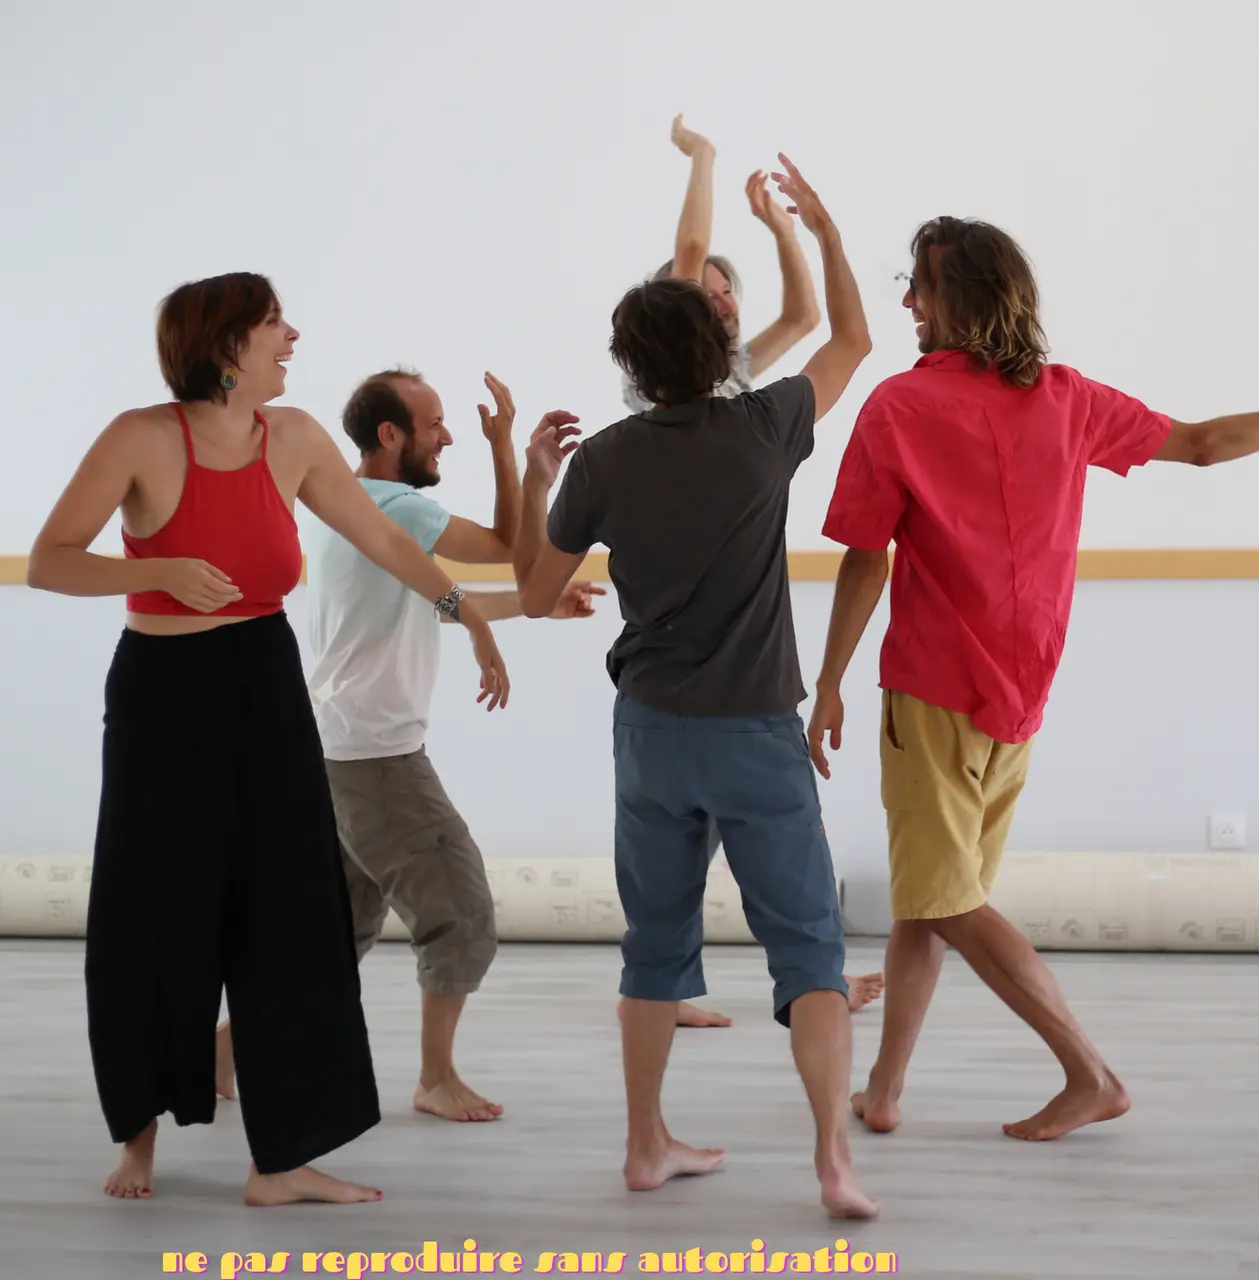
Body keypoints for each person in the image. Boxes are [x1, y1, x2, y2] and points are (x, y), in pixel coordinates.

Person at [808, 215, 1259, 1142]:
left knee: (947, 898)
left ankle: (1089, 1071)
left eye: (920, 285)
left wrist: (827, 681)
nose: (907, 300)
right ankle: (886, 1090)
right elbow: (1204, 444)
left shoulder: (899, 408)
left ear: (963, 298)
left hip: (936, 694)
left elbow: (867, 558)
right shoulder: (1064, 399)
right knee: (928, 897)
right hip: (1019, 703)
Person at [26, 272, 511, 1206]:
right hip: (162, 697)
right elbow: (51, 560)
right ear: (224, 346)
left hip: (266, 686)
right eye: (273, 325)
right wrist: (161, 566)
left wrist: (466, 611)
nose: (293, 335)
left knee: (292, 918)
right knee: (153, 912)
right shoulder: (140, 438)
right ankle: (139, 1138)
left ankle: (280, 1160)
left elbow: (380, 537)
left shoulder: (292, 439)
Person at [513, 156, 879, 1218]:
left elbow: (539, 596)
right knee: (808, 949)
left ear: (630, 364)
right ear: (721, 348)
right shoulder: (764, 430)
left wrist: (539, 473)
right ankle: (832, 1158)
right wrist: (825, 229)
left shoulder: (607, 459)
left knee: (654, 944)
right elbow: (851, 339)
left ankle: (645, 1144)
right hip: (755, 731)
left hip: (653, 736)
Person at [297, 367, 602, 1123]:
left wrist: (527, 613)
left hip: (338, 749)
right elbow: (511, 550)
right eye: (435, 425)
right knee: (461, 910)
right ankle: (436, 1078)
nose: (448, 436)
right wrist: (519, 463)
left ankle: (226, 1054)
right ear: (389, 435)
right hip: (375, 757)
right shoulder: (393, 503)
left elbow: (427, 602)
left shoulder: (360, 511)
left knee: (341, 928)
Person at [634, 114, 881, 1022]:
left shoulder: (742, 381)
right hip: (691, 649)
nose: (718, 296)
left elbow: (814, 321)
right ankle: (684, 981)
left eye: (726, 289)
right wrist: (701, 160)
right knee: (695, 833)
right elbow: (693, 247)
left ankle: (752, 977)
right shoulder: (662, 379)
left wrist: (784, 235)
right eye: (702, 290)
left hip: (725, 651)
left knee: (703, 835)